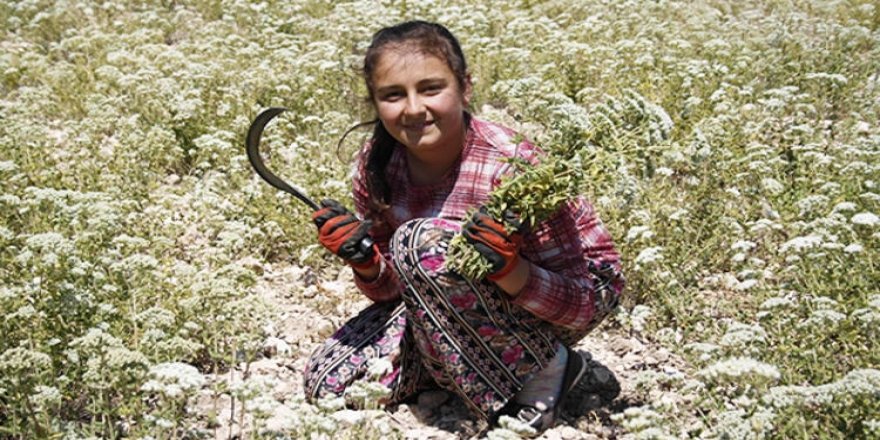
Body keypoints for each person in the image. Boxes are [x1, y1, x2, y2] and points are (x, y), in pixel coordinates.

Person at [303, 20, 624, 433]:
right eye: (393, 95)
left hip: (565, 294)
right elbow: (392, 289)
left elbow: (579, 306)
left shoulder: (514, 166)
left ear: (465, 87)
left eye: (431, 88)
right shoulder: (376, 163)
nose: (414, 109)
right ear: (375, 103)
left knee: (421, 242)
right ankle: (456, 362)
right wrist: (363, 260)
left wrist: (509, 269)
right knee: (329, 384)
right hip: (442, 299)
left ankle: (548, 369)